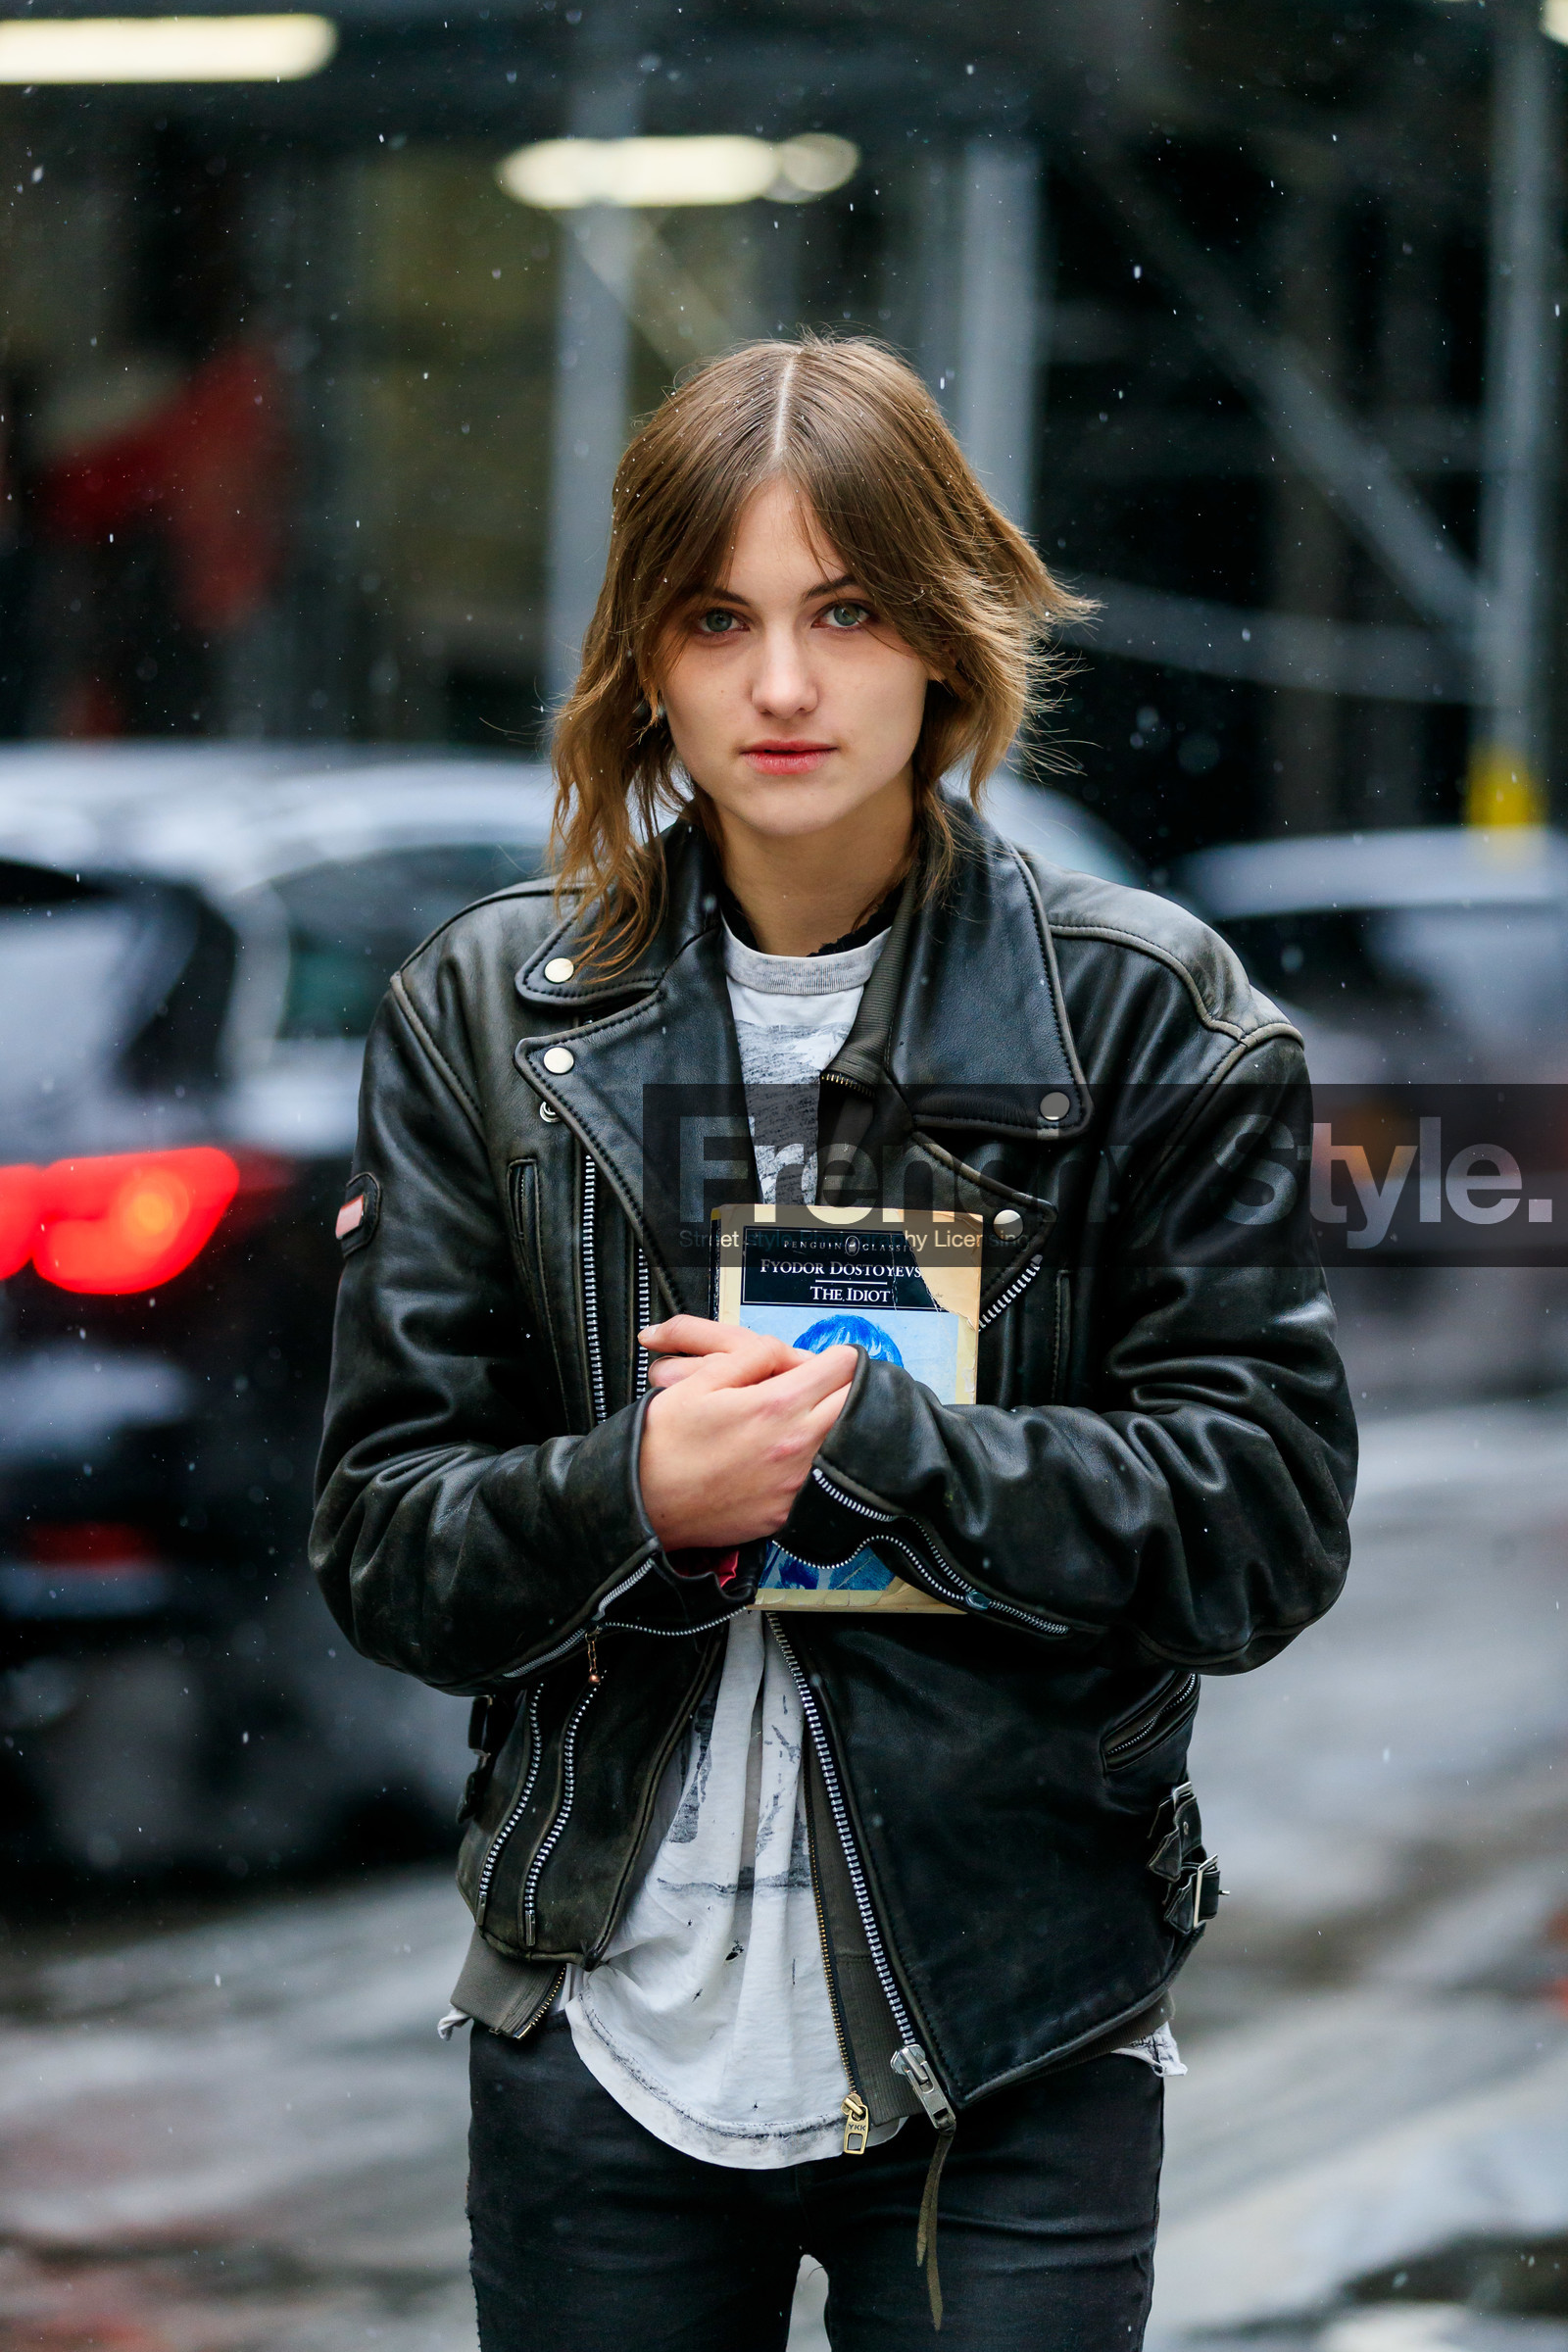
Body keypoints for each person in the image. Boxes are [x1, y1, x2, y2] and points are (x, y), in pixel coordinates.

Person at [311, 336, 1355, 2351]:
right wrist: (635, 1491)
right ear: (647, 658)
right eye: (718, 619)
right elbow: (384, 1542)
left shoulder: (1144, 1019)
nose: (782, 687)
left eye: (845, 611)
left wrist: (882, 1442)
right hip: (599, 2022)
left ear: (946, 640)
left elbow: (1257, 1527)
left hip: (1011, 2027)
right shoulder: (482, 1014)